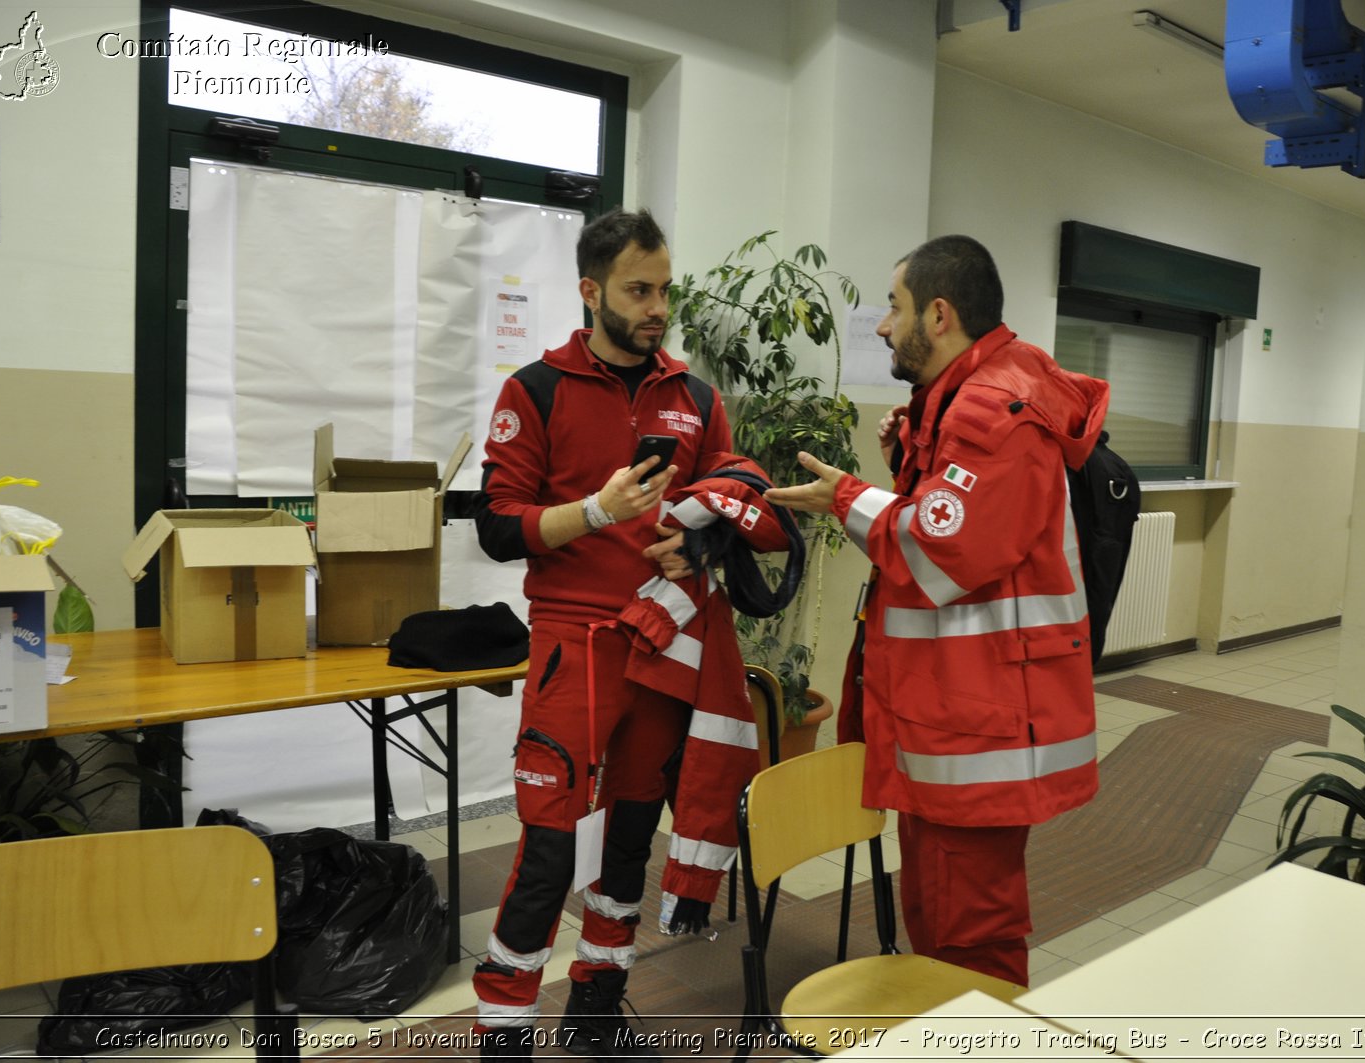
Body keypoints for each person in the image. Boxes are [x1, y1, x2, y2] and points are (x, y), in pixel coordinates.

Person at [470, 208, 779, 1059]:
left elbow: (735, 489)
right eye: (639, 290)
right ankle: (503, 1030)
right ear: (591, 290)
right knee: (550, 845)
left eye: (665, 290)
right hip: (576, 639)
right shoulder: (534, 389)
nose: (657, 307)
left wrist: (703, 538)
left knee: (634, 832)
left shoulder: (695, 396)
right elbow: (497, 527)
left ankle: (596, 1007)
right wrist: (597, 510)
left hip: (666, 636)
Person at [765, 234, 1109, 987]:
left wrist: (847, 498)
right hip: (953, 718)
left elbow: (940, 554)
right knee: (939, 933)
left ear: (941, 314)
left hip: (974, 732)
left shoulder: (992, 410)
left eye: (894, 306)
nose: (884, 324)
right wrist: (901, 466)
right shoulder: (966, 396)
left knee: (967, 943)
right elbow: (958, 526)